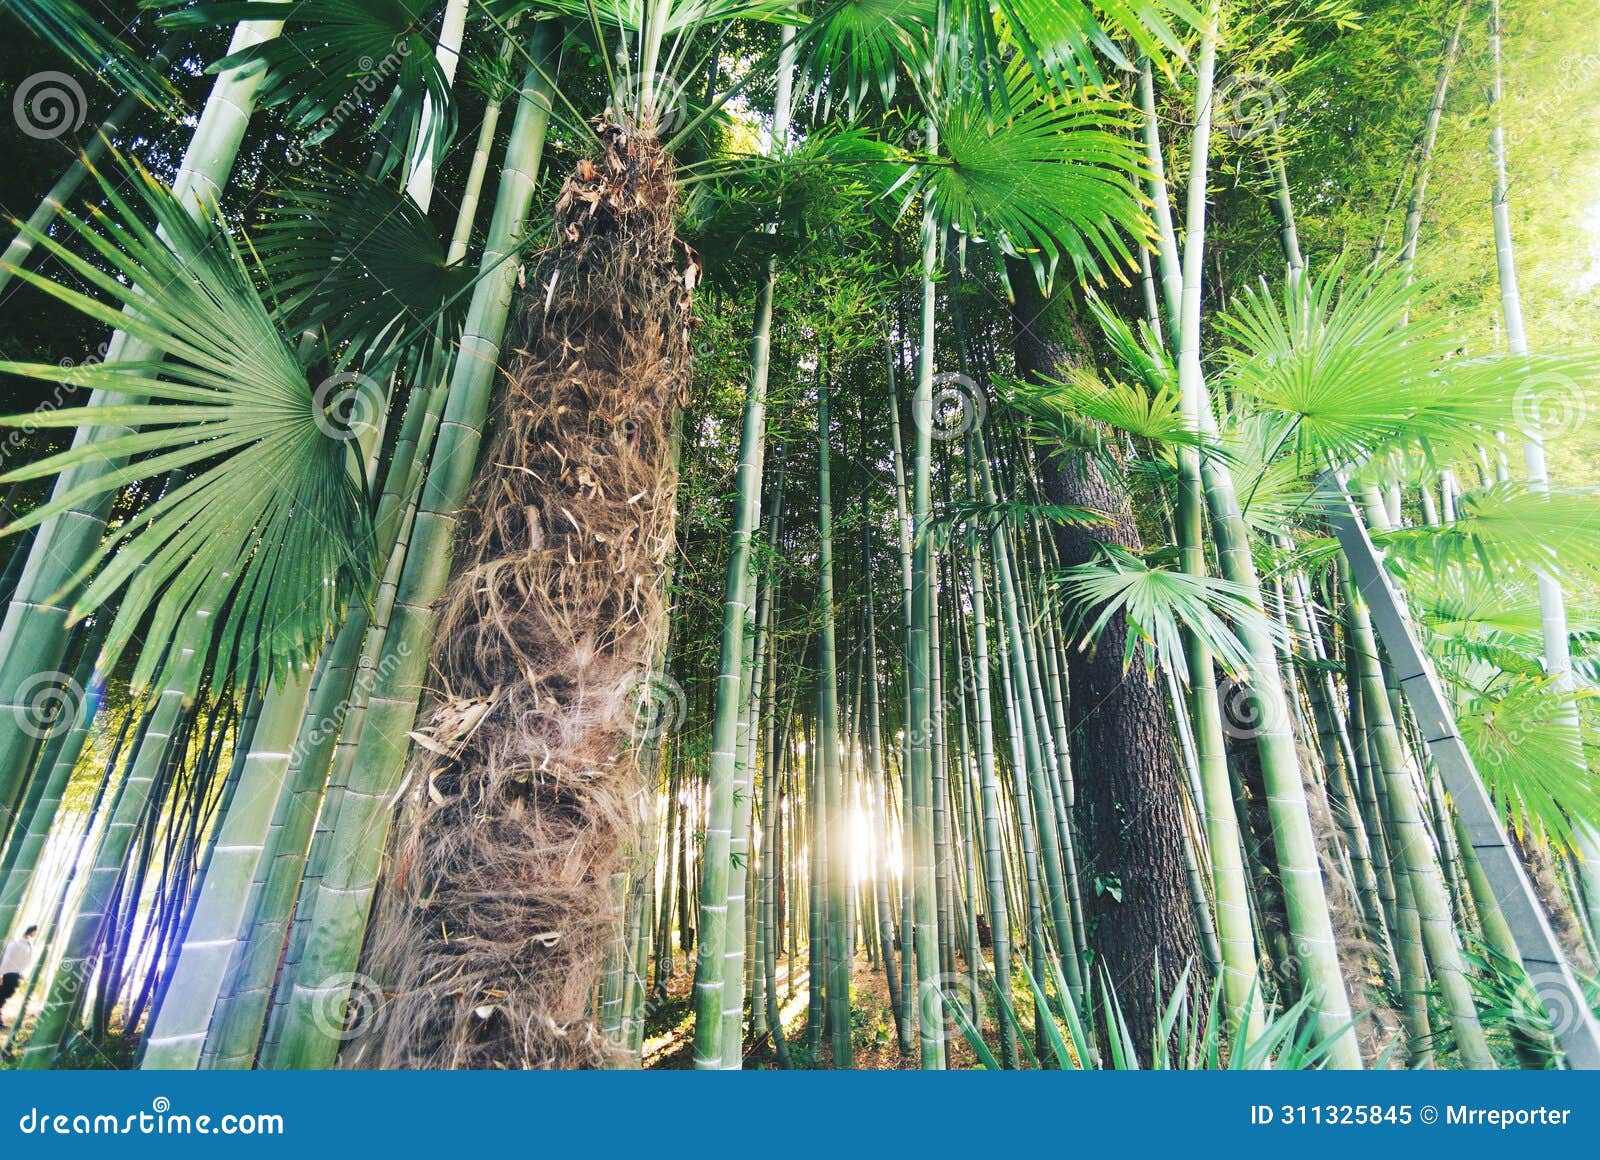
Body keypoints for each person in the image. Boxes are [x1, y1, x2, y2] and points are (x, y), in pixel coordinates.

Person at [0, 925, 39, 1028]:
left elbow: (27, 961)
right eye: (35, 932)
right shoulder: (15, 943)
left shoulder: (29, 945)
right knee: (3, 995)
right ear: (31, 932)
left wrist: (23, 974)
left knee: (6, 995)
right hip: (8, 973)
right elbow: (6, 959)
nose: (36, 935)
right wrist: (0, 975)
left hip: (17, 975)